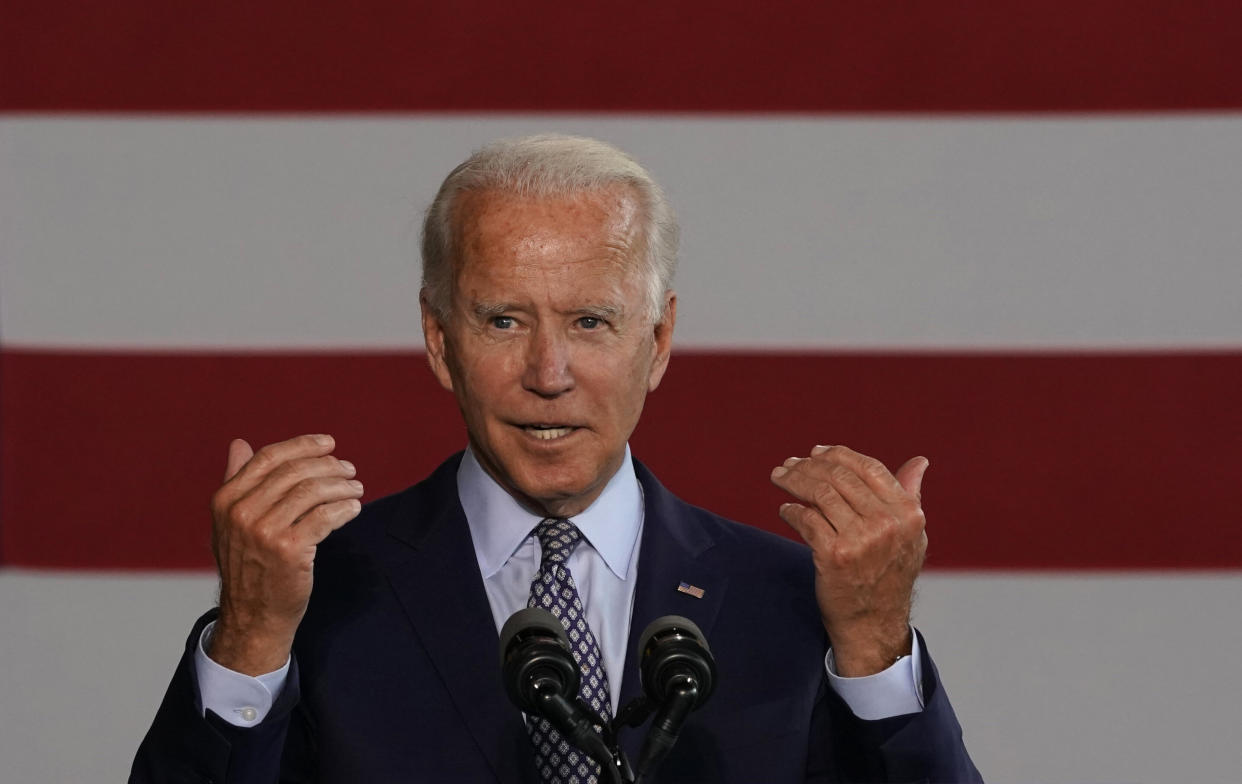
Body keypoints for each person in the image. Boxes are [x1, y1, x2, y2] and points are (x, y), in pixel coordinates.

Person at [132, 135, 981, 783]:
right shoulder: (318, 595)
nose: (548, 375)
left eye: (591, 323)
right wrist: (248, 640)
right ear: (438, 341)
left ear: (658, 341)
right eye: (504, 320)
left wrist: (875, 646)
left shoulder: (794, 603)